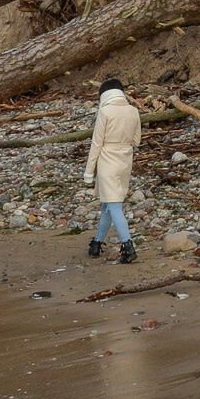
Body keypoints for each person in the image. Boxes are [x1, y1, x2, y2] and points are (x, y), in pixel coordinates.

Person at [83, 77, 143, 263]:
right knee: (108, 205)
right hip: (125, 160)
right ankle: (97, 243)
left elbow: (96, 143)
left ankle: (128, 245)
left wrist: (88, 172)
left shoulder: (105, 112)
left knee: (114, 205)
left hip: (107, 159)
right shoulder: (133, 111)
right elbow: (137, 140)